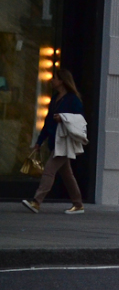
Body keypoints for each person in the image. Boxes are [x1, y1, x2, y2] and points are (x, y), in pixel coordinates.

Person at [23, 68, 86, 214]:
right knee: (67, 175)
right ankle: (78, 204)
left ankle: (36, 202)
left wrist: (63, 117)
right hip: (55, 140)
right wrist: (39, 142)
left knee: (49, 171)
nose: (52, 80)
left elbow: (80, 119)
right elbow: (47, 123)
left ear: (62, 81)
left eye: (55, 78)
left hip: (64, 141)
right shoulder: (55, 98)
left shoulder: (73, 99)